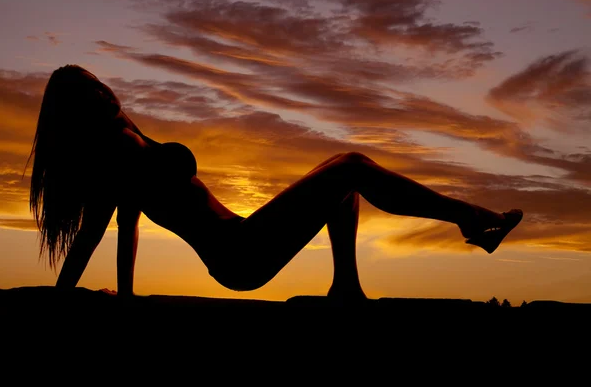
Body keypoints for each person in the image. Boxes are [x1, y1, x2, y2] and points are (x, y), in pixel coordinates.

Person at [26, 65, 523, 301]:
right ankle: (473, 219)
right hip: (240, 253)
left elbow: (127, 225)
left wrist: (128, 299)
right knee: (350, 165)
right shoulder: (120, 151)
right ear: (81, 111)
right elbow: (100, 229)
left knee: (340, 170)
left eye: (97, 84)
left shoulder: (128, 145)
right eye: (90, 93)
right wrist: (67, 298)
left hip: (241, 245)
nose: (103, 93)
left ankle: (346, 286)